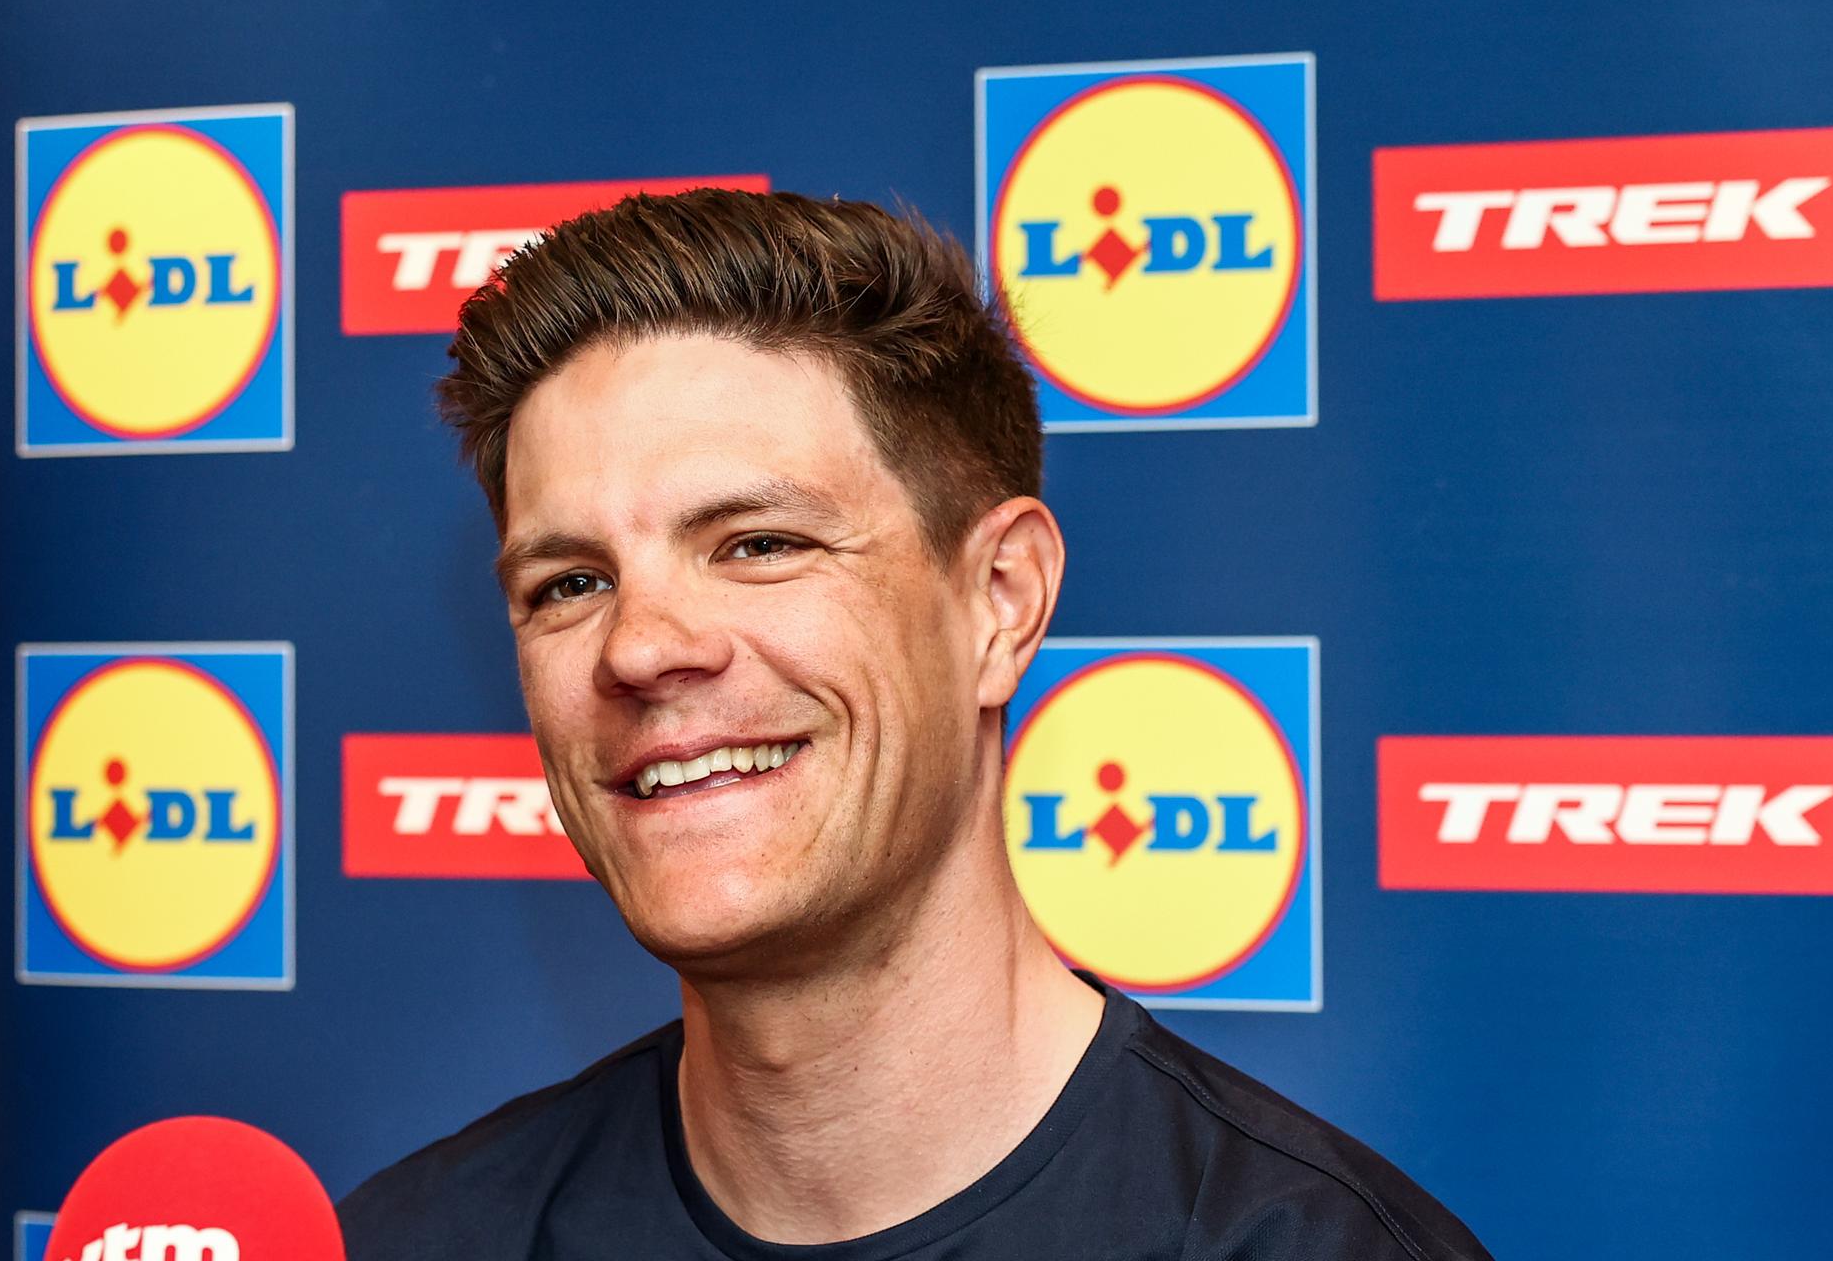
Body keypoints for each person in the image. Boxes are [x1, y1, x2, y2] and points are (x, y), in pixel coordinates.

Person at [338, 189, 1494, 1261]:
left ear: (1000, 602)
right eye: (569, 583)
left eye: (757, 544)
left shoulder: (1310, 1242)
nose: (640, 647)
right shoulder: (419, 1236)